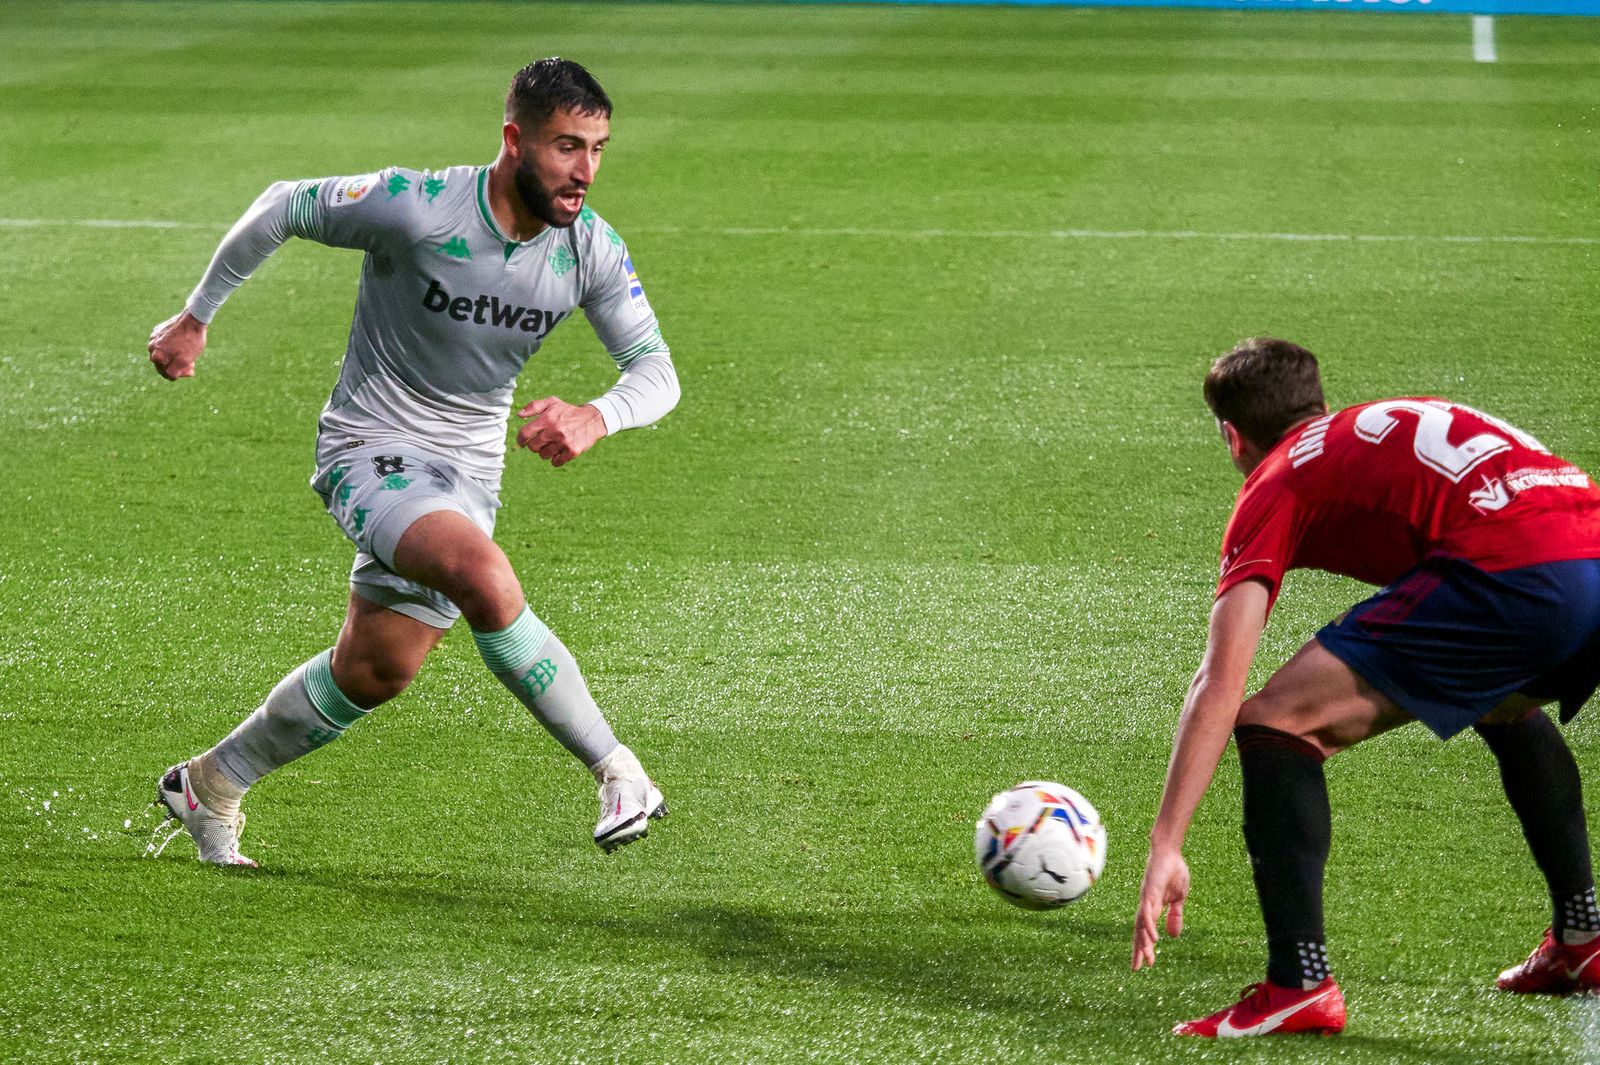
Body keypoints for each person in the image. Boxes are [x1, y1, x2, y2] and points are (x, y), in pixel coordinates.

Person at [145, 58, 679, 866]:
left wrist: (597, 415)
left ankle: (210, 784)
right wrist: (195, 316)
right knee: (484, 577)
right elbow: (283, 204)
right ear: (514, 140)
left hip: (468, 471)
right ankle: (618, 769)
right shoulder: (418, 207)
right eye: (567, 146)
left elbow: (657, 372)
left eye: (598, 148)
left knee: (377, 666)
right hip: (370, 446)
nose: (585, 171)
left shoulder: (589, 251)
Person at [1131, 337, 1600, 1037]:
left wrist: (1166, 841)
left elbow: (1220, 679)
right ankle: (1581, 936)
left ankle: (1297, 982)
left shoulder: (1277, 478)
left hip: (1518, 570)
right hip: (1586, 547)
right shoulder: (1373, 426)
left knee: (1276, 721)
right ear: (1319, 401)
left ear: (1233, 436)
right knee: (1504, 701)